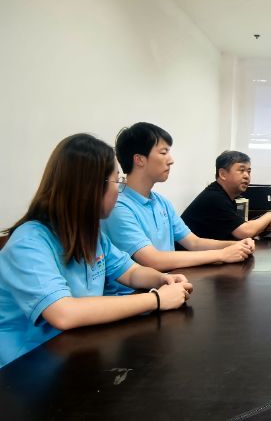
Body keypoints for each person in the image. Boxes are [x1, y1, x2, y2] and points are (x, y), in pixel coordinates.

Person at [0, 134, 193, 368]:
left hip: (76, 350)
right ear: (91, 187)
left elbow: (131, 272)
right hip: (26, 365)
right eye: (117, 182)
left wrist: (162, 279)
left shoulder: (90, 233)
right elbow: (64, 313)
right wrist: (156, 299)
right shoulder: (29, 242)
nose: (119, 191)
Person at [102, 123, 255, 279]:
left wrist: (236, 245)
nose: (171, 160)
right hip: (136, 290)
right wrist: (222, 254)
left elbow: (193, 242)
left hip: (170, 282)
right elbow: (152, 260)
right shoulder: (118, 206)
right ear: (139, 160)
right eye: (163, 152)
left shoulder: (162, 202)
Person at [181, 151, 271, 240]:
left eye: (248, 171)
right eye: (241, 170)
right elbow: (245, 232)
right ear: (223, 174)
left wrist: (261, 228)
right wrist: (270, 215)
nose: (247, 176)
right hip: (189, 253)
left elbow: (235, 230)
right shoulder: (214, 198)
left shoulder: (226, 196)